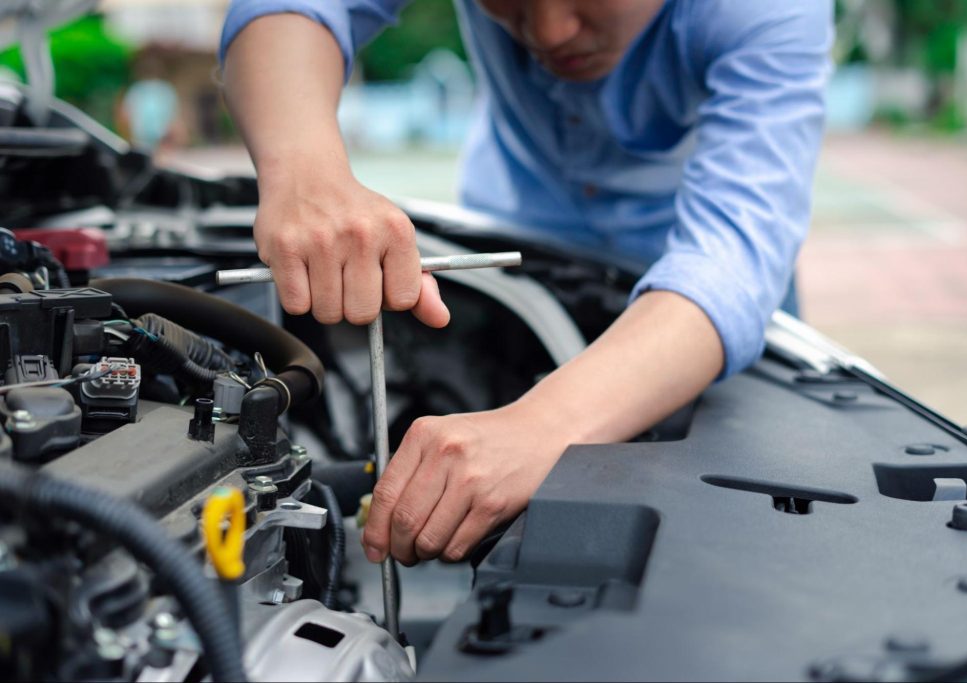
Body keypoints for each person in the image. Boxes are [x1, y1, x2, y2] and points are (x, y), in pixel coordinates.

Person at [219, 0, 832, 567]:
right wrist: (304, 174)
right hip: (516, 264)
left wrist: (541, 429)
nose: (548, 32)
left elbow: (731, 264)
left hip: (696, 329)